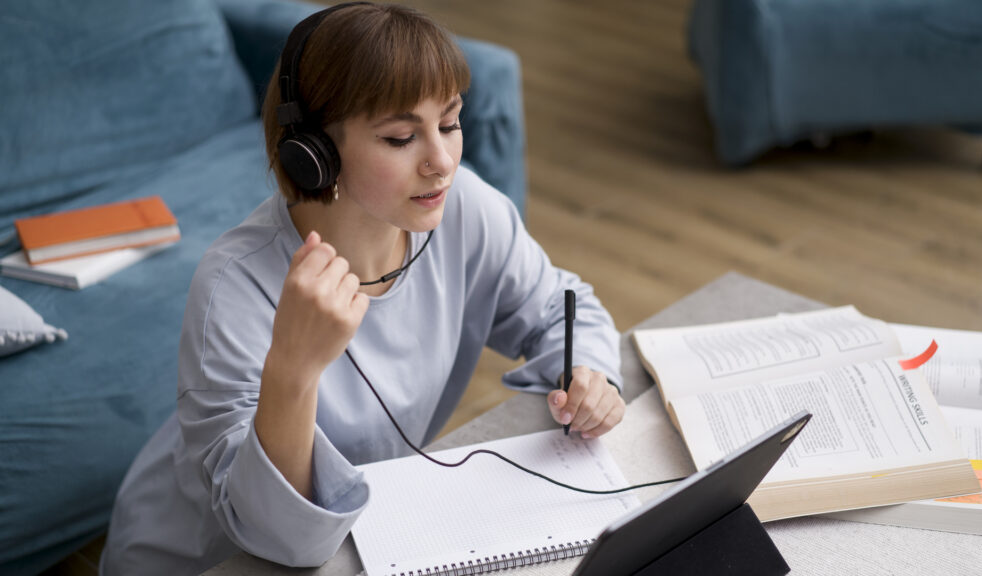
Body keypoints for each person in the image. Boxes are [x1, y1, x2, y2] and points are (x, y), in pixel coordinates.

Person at [100, 3, 624, 574]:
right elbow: (275, 537)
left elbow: (559, 306)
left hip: (367, 537)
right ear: (314, 153)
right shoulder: (236, 285)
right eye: (401, 137)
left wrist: (591, 376)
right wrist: (293, 371)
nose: (442, 161)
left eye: (449, 123)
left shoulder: (467, 209)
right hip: (206, 557)